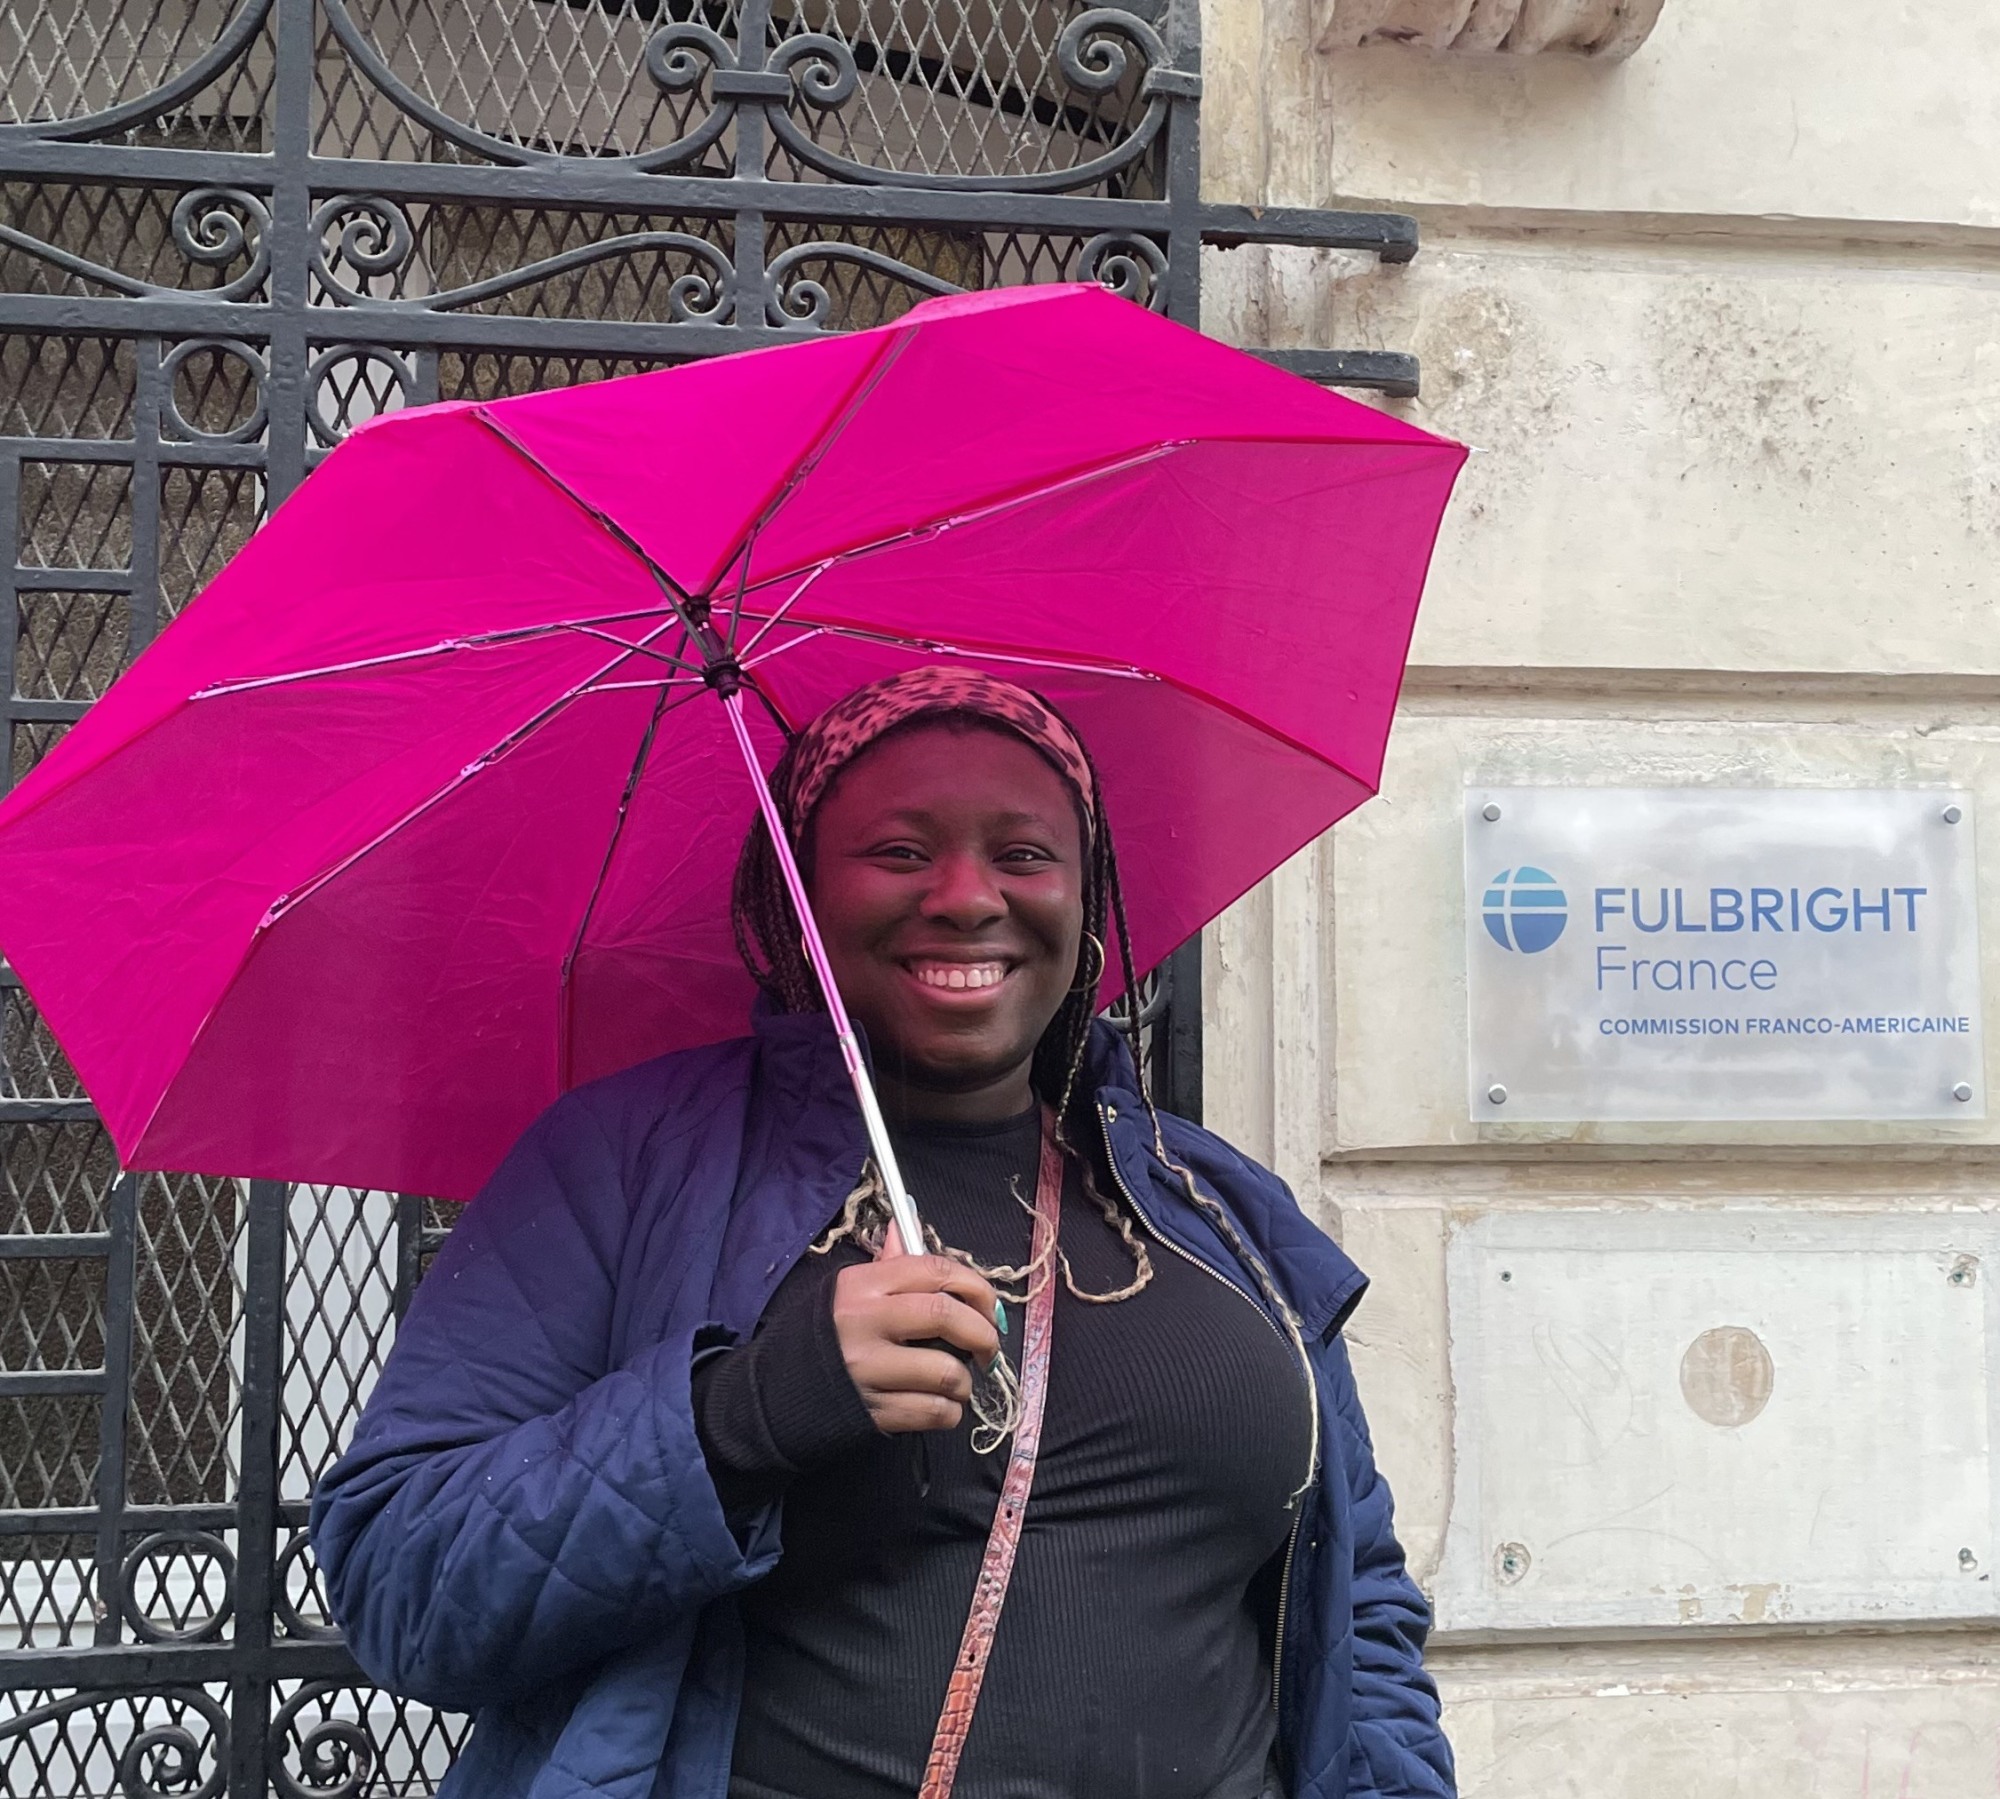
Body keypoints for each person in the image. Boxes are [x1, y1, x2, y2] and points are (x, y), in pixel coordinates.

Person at [310, 667, 1455, 1799]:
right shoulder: (623, 1159)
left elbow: (1352, 1605)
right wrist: (744, 1412)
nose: (964, 896)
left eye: (1022, 853)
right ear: (797, 895)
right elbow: (403, 1580)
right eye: (899, 851)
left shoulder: (1216, 1205)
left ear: (1087, 891)